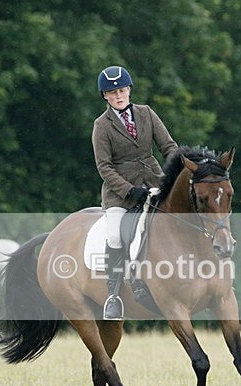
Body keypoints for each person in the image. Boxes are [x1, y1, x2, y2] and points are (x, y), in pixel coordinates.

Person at [92, 65, 178, 320]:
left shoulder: (146, 113)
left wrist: (175, 176)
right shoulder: (102, 125)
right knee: (116, 235)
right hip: (120, 194)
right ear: (105, 96)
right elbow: (104, 167)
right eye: (112, 92)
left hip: (155, 183)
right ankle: (113, 295)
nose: (118, 96)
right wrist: (129, 191)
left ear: (129, 89)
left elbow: (169, 147)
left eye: (121, 90)